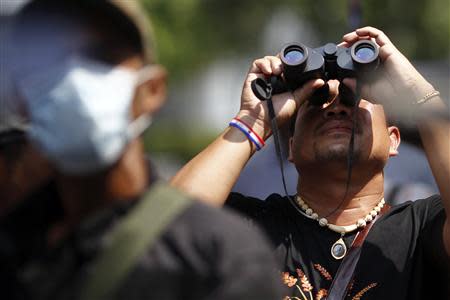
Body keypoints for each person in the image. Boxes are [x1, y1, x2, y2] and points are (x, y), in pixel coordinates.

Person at [0, 1, 282, 299]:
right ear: (20, 98)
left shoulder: (218, 258)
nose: (73, 78)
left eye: (100, 56)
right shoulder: (12, 247)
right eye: (49, 62)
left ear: (152, 89)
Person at [172, 26, 450, 299]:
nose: (336, 107)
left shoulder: (423, 228)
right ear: (291, 147)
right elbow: (163, 230)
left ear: (393, 140)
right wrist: (252, 122)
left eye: (353, 99)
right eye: (317, 102)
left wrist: (416, 92)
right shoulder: (253, 227)